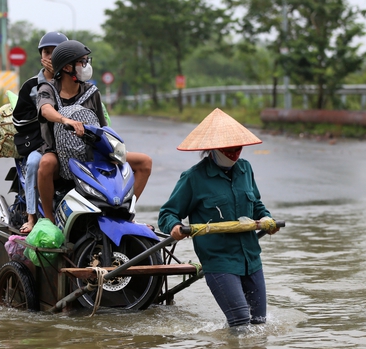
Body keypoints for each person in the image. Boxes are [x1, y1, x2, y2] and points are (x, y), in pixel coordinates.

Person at [157, 108, 279, 329]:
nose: (234, 153)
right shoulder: (194, 178)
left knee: (260, 324)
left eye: (237, 148)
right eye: (228, 149)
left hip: (250, 258)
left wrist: (267, 219)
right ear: (212, 149)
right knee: (241, 322)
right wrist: (174, 226)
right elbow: (167, 214)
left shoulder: (245, 169)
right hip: (219, 260)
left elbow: (257, 205)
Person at [36, 39, 152, 223]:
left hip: (92, 152)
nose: (86, 66)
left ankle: (125, 213)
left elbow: (103, 126)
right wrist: (65, 119)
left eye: (86, 61)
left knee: (144, 162)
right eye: (82, 62)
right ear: (67, 68)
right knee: (45, 164)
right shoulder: (47, 89)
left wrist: (112, 149)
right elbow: (46, 110)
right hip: (60, 154)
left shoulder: (92, 92)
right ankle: (49, 219)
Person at [13, 31, 69, 233]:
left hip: (71, 142)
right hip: (41, 144)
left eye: (56, 53)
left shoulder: (72, 81)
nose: (51, 57)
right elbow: (18, 119)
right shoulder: (30, 86)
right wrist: (45, 114)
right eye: (47, 52)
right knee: (35, 162)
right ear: (41, 55)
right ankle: (32, 217)